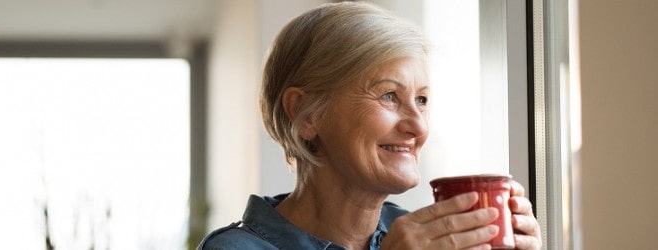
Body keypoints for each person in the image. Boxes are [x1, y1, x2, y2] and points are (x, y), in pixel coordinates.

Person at [198, 2, 542, 250]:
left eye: (422, 100)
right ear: (306, 115)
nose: (417, 126)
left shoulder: (421, 238)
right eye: (389, 96)